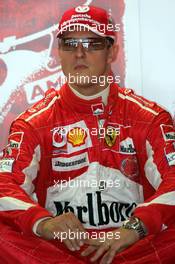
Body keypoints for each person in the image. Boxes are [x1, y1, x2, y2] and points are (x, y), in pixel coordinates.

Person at [0, 5, 175, 264]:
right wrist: (44, 223)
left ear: (111, 51)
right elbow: (5, 184)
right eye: (70, 43)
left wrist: (135, 228)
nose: (79, 53)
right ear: (59, 52)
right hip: (59, 253)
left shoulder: (148, 118)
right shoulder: (33, 123)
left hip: (132, 249)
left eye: (91, 43)